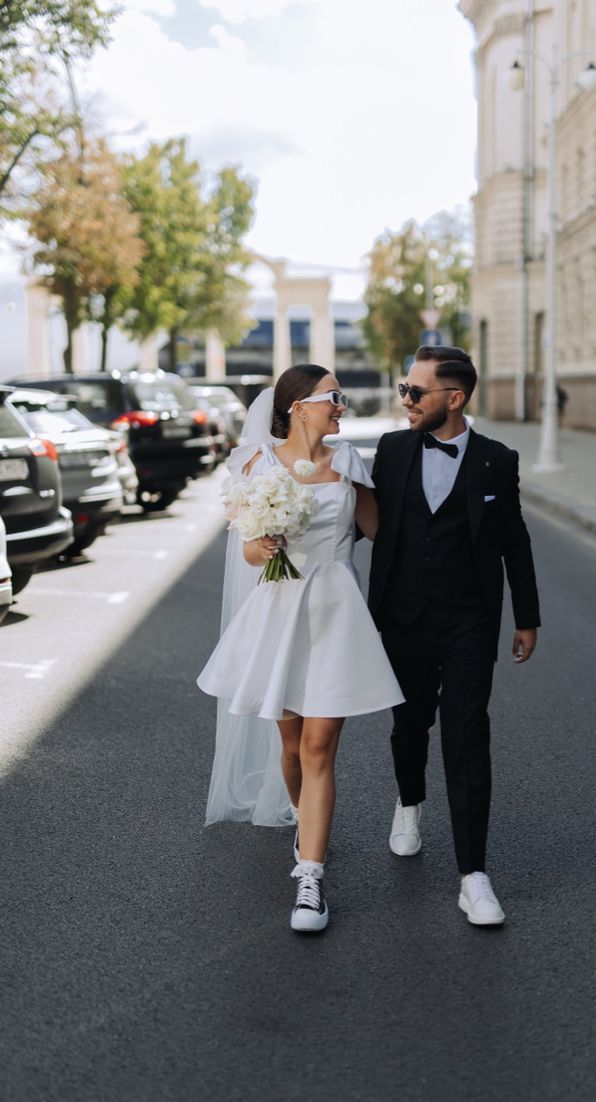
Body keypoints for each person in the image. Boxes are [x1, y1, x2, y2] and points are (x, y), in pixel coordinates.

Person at [198, 365, 403, 934]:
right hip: (279, 611)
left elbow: (380, 532)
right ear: (298, 406)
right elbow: (246, 553)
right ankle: (301, 817)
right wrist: (261, 544)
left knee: (318, 747)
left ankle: (310, 878)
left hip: (337, 609)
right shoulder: (255, 467)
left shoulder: (350, 463)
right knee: (290, 744)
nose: (343, 405)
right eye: (334, 396)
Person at [368, 345, 540, 926]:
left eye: (416, 392)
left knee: (467, 733)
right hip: (403, 615)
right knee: (410, 722)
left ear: (454, 398)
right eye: (404, 389)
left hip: (469, 617)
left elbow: (514, 538)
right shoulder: (391, 451)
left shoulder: (497, 458)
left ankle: (474, 875)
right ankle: (410, 802)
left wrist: (527, 616)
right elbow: (354, 513)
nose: (406, 401)